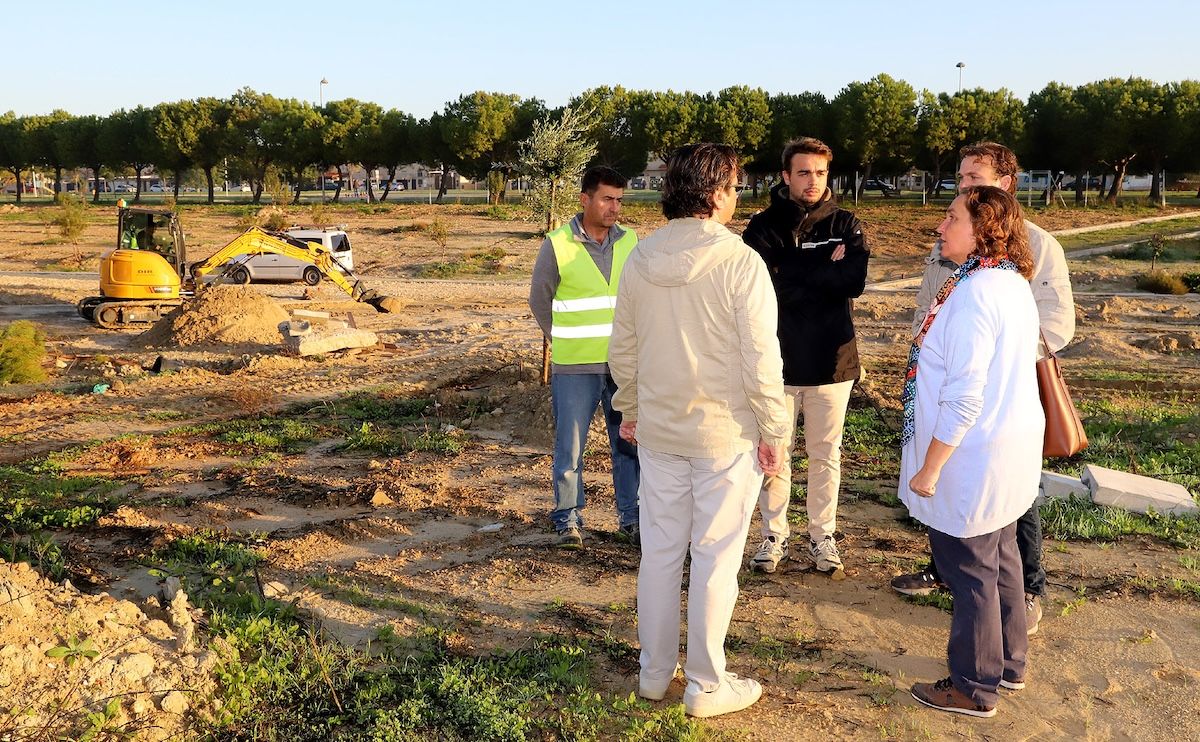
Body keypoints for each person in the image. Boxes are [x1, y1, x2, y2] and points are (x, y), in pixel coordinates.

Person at [608, 143, 789, 718]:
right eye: (735, 186)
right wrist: (774, 428)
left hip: (661, 432)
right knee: (715, 558)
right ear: (715, 193)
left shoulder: (638, 257)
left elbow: (624, 348)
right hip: (725, 437)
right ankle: (707, 684)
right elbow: (762, 360)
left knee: (660, 553)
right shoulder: (741, 263)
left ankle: (655, 672)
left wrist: (630, 405)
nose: (738, 197)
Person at [892, 142, 1075, 635]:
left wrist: (1002, 357)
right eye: (962, 179)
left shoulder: (1035, 247)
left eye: (978, 179)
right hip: (954, 384)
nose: (966, 187)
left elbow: (1057, 323)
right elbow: (929, 304)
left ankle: (1028, 589)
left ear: (1006, 186)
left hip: (998, 394)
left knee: (1008, 498)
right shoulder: (952, 240)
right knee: (954, 491)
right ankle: (946, 567)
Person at [903, 185, 1043, 718]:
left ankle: (972, 687)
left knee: (970, 572)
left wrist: (930, 468)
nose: (941, 226)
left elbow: (963, 397)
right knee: (1002, 556)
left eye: (951, 217)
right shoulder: (1008, 282)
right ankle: (1009, 664)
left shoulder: (975, 295)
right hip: (1007, 448)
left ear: (983, 230)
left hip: (971, 456)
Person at [741, 137, 870, 576]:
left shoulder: (848, 225)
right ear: (785, 176)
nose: (812, 181)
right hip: (775, 363)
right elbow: (766, 286)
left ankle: (822, 537)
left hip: (833, 363)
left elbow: (853, 280)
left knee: (825, 454)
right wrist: (821, 269)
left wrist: (793, 268)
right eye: (803, 172)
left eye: (819, 172)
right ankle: (772, 536)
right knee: (774, 452)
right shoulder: (761, 228)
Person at [528, 166, 640, 549]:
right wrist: (561, 342)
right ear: (585, 199)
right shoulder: (558, 243)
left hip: (623, 366)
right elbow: (539, 300)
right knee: (570, 447)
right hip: (575, 366)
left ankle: (633, 518)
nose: (614, 208)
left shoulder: (631, 242)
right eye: (607, 199)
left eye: (619, 200)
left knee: (628, 443)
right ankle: (568, 520)